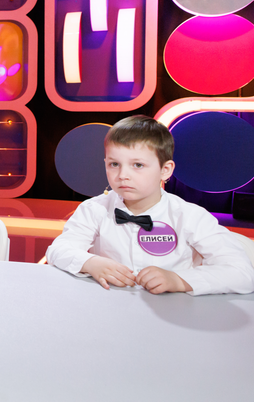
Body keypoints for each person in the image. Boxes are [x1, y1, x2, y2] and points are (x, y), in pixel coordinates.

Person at [46, 115, 254, 295]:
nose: (123, 175)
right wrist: (90, 262)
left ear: (165, 170)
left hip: (173, 313)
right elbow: (58, 250)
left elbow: (242, 272)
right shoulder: (94, 209)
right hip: (107, 306)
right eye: (114, 164)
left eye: (138, 165)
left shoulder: (190, 216)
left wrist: (178, 280)